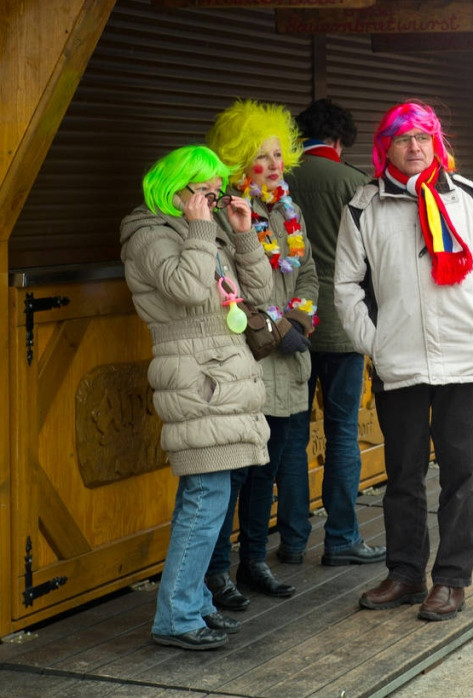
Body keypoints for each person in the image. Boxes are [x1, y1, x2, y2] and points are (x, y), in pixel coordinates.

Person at [335, 101, 473, 621]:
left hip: (464, 356)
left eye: (423, 137)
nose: (414, 148)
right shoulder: (364, 207)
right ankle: (406, 573)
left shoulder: (469, 197)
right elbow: (346, 283)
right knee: (403, 474)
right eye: (402, 139)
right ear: (385, 147)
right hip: (401, 360)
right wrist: (376, 340)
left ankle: (452, 580)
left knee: (461, 473)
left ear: (436, 143)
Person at [120, 145, 271, 650]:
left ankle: (196, 606)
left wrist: (243, 233)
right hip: (196, 380)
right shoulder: (147, 235)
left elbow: (260, 292)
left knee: (211, 498)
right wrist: (204, 229)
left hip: (224, 376)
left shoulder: (203, 231)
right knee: (205, 500)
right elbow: (186, 288)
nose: (211, 198)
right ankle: (177, 617)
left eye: (214, 190)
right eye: (202, 190)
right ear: (174, 187)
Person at [203, 100, 319, 609]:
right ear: (235, 162)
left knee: (267, 473)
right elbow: (236, 289)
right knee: (237, 474)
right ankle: (217, 572)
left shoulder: (288, 211)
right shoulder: (228, 215)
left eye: (278, 154)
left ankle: (254, 561)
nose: (273, 165)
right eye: (260, 156)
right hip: (252, 364)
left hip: (291, 362)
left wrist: (298, 322)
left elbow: (309, 276)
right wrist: (278, 329)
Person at [277, 99, 385, 567]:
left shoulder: (282, 184)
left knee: (291, 435)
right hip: (343, 327)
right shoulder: (356, 184)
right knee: (342, 432)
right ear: (340, 139)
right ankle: (341, 538)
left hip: (291, 326)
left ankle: (294, 540)